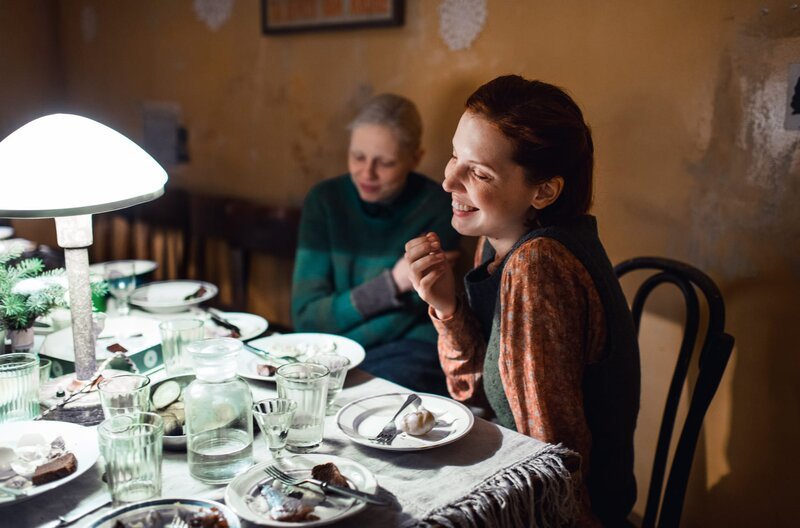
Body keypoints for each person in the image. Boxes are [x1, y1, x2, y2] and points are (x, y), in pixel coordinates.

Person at [404, 75, 640, 527]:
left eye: (479, 172)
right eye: (456, 155)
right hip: (526, 481)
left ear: (544, 191)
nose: (447, 178)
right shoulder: (500, 239)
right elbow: (479, 391)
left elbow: (550, 464)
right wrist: (448, 308)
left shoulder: (538, 266)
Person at [292, 93, 460, 395]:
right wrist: (393, 283)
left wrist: (334, 327)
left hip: (409, 353)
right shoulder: (325, 201)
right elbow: (305, 317)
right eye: (358, 157)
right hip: (331, 353)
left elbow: (421, 318)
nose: (367, 173)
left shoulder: (439, 207)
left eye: (385, 163)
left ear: (415, 158)